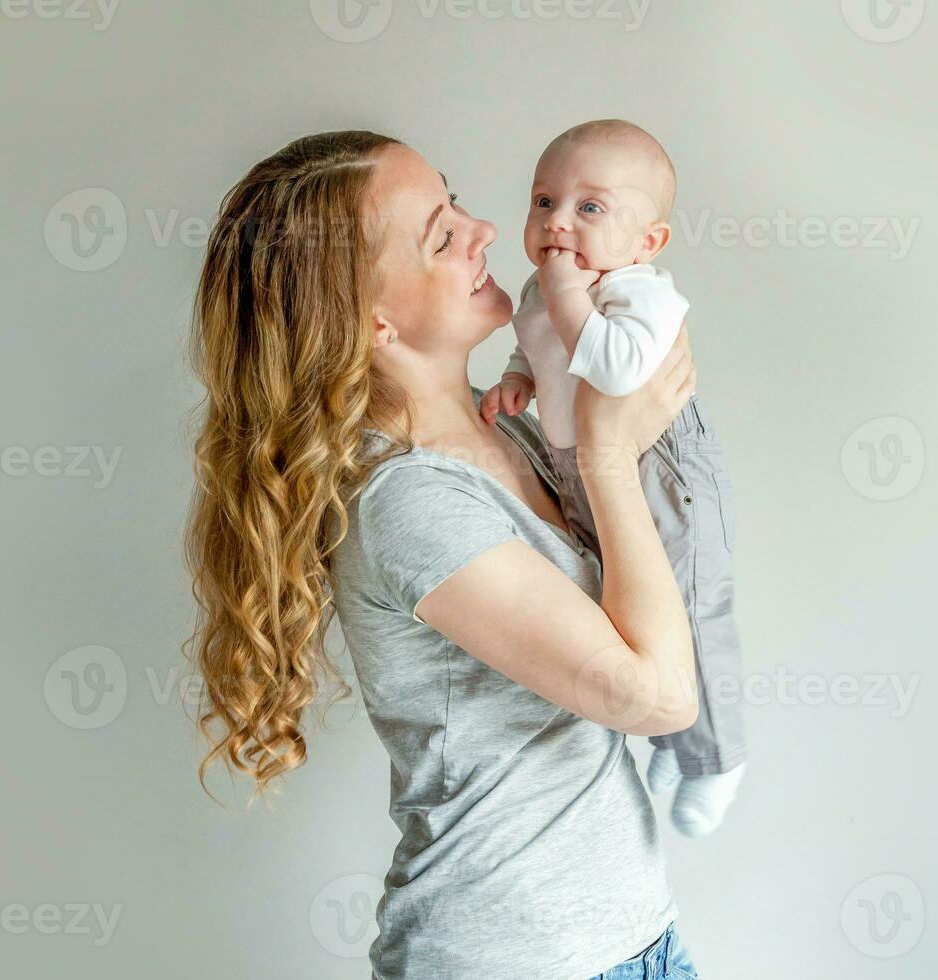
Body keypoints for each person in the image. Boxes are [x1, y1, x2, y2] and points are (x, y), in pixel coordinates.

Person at [185, 130, 702, 978]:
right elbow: (658, 696)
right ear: (372, 320)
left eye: (456, 201)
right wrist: (609, 456)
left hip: (633, 940)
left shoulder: (509, 431)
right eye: (440, 233)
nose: (485, 230)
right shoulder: (410, 502)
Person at [484, 119, 747, 836]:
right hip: (585, 466)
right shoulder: (546, 291)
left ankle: (717, 756)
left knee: (690, 604)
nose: (557, 224)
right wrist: (517, 380)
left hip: (659, 464)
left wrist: (568, 295)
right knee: (626, 601)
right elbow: (535, 346)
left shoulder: (638, 292)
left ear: (647, 242)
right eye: (543, 202)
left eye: (589, 208)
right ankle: (676, 737)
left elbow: (618, 370)